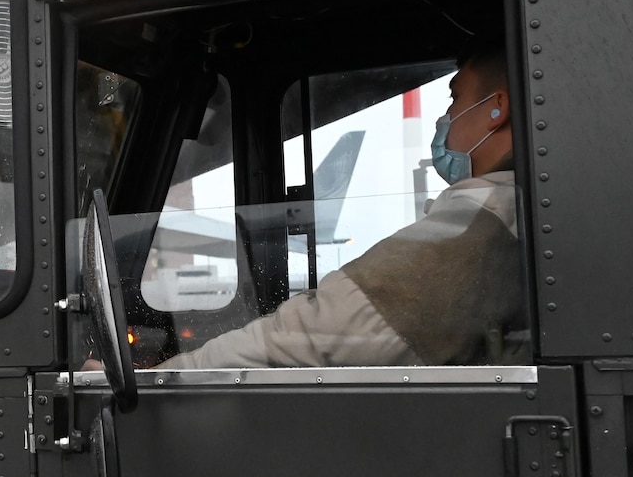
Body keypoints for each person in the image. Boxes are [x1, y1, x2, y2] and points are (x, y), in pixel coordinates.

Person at [160, 49, 523, 369]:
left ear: (497, 109)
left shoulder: (486, 221)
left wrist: (170, 374)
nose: (445, 118)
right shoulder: (510, 212)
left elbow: (321, 333)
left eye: (455, 98)